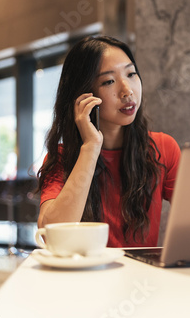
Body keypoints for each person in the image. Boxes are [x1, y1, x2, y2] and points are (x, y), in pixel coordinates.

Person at [37, 35, 181, 247]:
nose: (127, 91)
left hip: (141, 278)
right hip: (85, 277)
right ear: (84, 95)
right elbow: (50, 232)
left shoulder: (162, 148)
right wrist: (90, 147)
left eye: (131, 74)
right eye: (108, 81)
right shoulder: (62, 158)